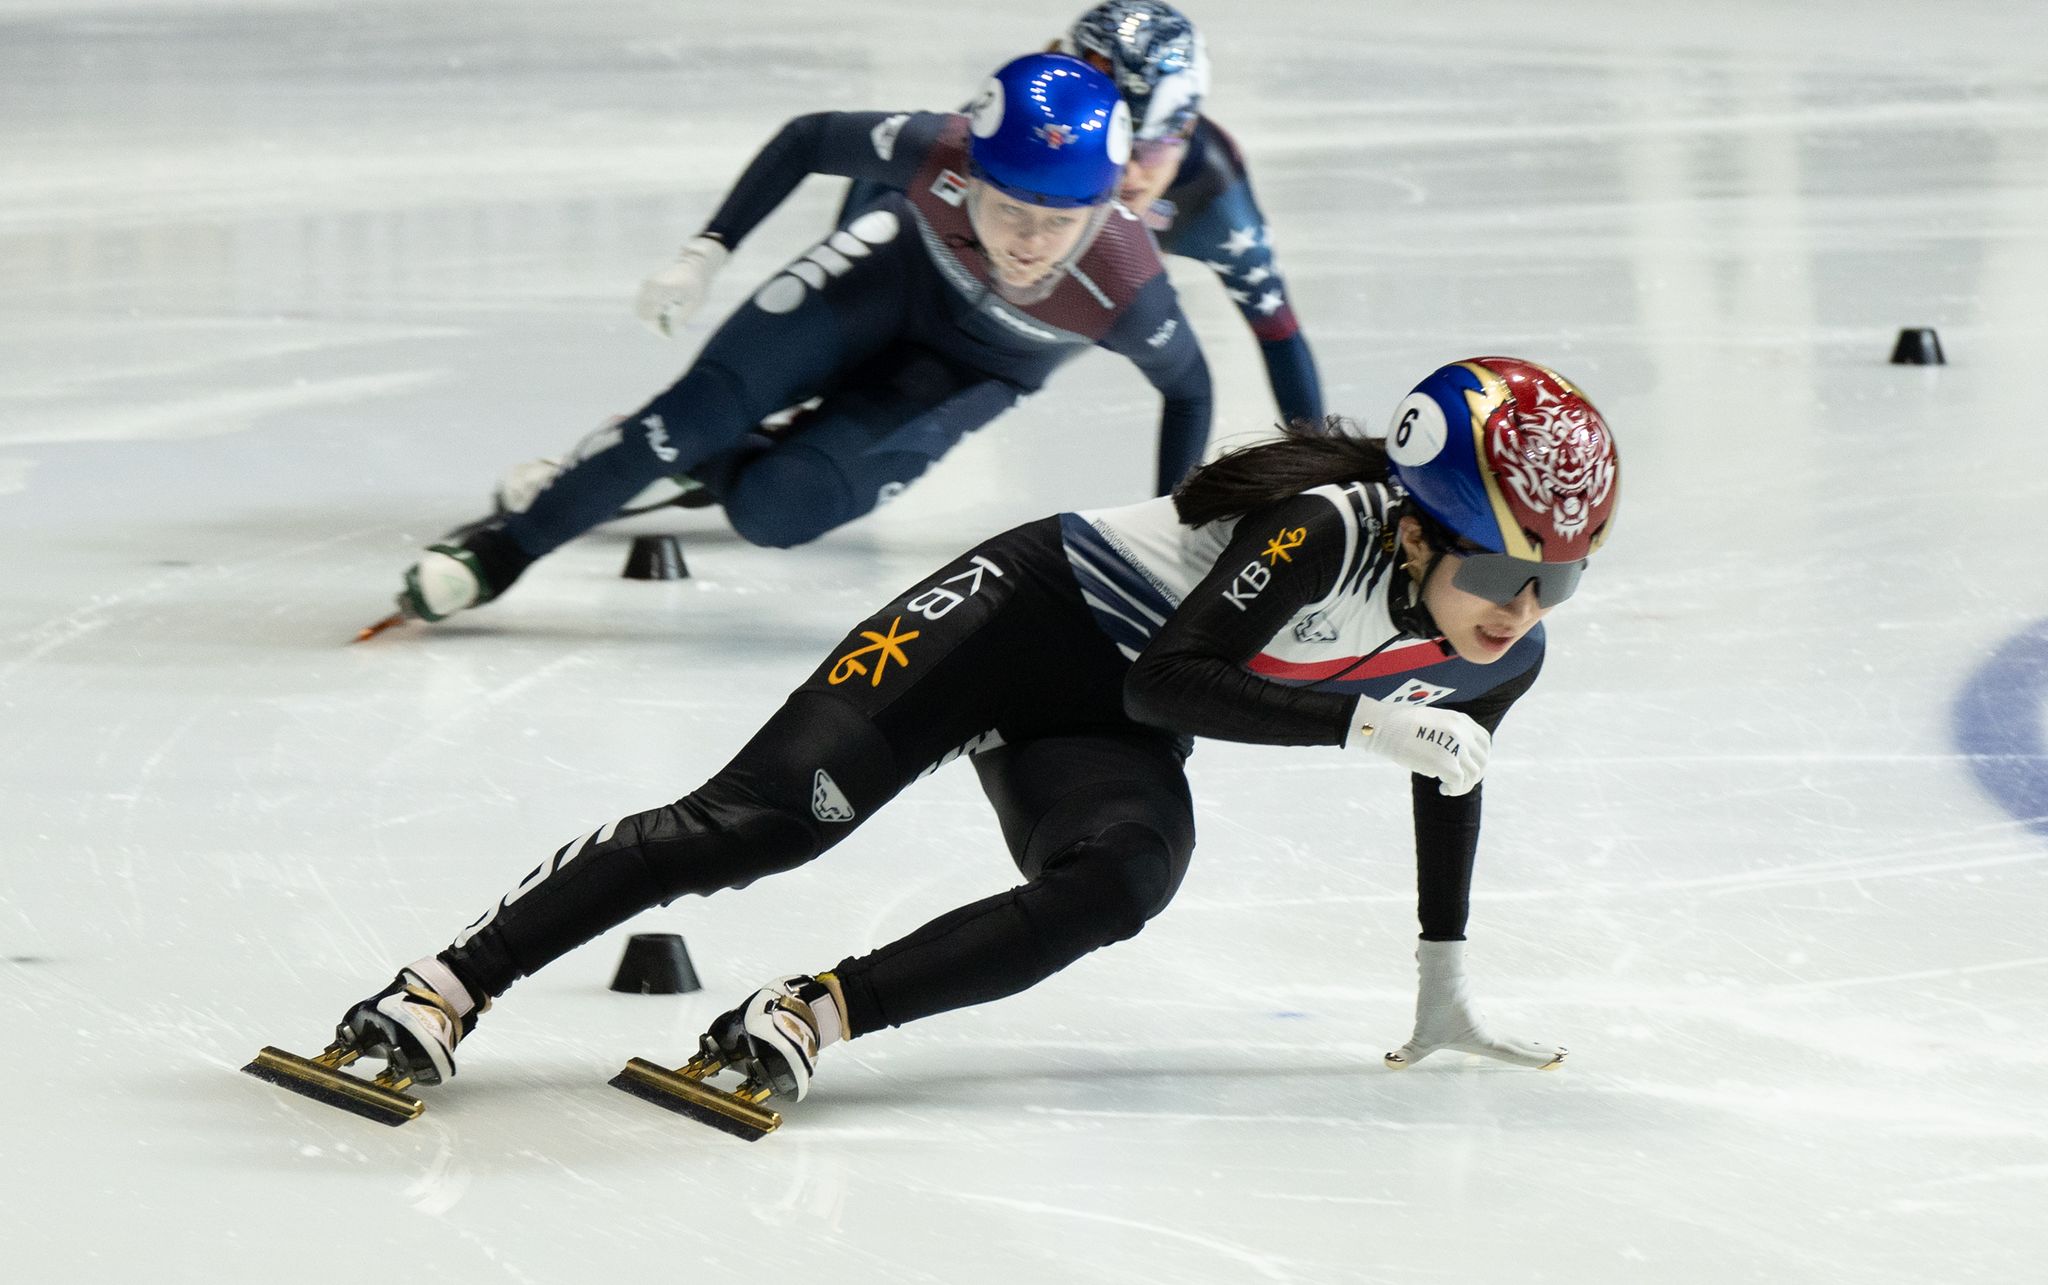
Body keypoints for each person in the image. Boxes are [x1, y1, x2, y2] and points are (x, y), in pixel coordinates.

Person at [293, 356, 1618, 1129]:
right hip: (1015, 619)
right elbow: (1173, 682)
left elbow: (1454, 770)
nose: (1520, 611)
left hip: (1089, 714)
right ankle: (439, 986)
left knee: (1120, 882)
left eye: (1554, 584)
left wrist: (1442, 978)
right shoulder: (1323, 528)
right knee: (766, 824)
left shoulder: (1501, 647)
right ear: (1422, 523)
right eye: (1508, 572)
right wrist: (1364, 720)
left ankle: (807, 1013)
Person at [390, 52, 1213, 628]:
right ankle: (501, 553)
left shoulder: (1126, 285)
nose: (1030, 243)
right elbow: (810, 137)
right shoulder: (941, 151)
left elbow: (1190, 389)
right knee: (694, 411)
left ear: (1103, 208)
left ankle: (680, 459)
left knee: (775, 509)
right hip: (887, 279)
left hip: (972, 369)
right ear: (974, 171)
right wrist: (704, 251)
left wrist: (1169, 540)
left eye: (1060, 222)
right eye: (1007, 210)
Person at [836, 1, 1323, 431]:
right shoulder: (1015, 127)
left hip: (1052, 305)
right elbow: (885, 171)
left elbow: (1278, 334)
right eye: (1113, 144)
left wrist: (1324, 473)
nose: (1127, 171)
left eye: (1150, 147)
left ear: (1189, 129)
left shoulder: (1213, 194)